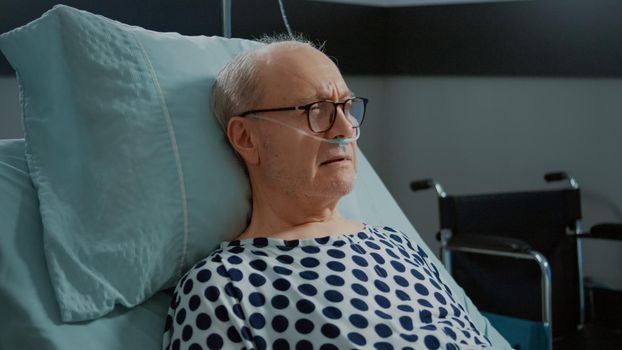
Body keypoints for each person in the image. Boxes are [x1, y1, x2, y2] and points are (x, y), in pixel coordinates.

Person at [162, 38, 497, 350]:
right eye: (315, 109)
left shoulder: (399, 244)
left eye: (347, 106)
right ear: (247, 138)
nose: (346, 129)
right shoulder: (225, 286)